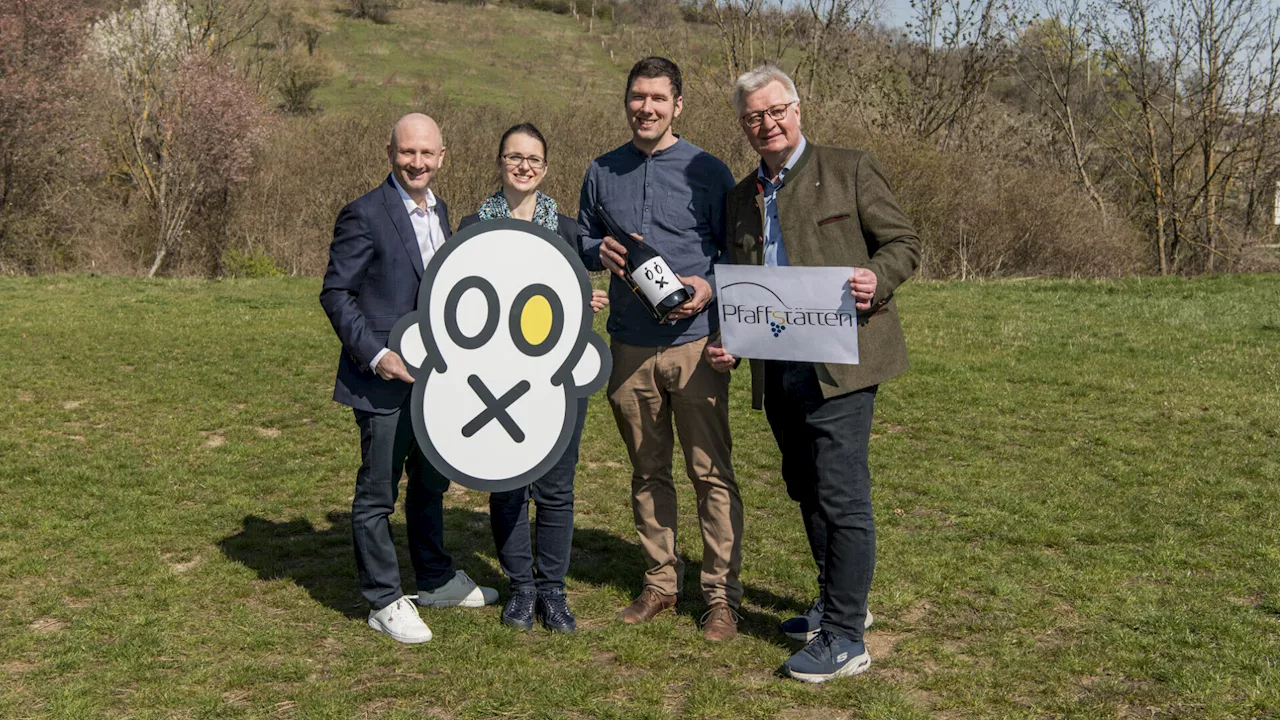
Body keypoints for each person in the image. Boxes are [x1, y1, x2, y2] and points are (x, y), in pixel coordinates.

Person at [705, 65, 921, 681]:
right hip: (778, 368)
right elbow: (744, 284)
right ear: (743, 124)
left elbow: (903, 242)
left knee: (842, 494)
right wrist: (732, 341)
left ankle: (847, 638)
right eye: (753, 117)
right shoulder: (739, 197)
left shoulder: (850, 168)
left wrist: (877, 279)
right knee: (805, 485)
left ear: (797, 110)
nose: (767, 125)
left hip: (843, 364)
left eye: (776, 112)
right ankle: (836, 600)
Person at [578, 57, 743, 642]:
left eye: (657, 98)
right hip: (629, 347)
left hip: (695, 346)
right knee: (648, 472)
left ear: (678, 105)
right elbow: (580, 238)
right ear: (626, 101)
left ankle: (721, 597)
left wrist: (711, 287)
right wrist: (597, 249)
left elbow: (739, 255)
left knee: (710, 474)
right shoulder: (600, 171)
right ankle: (660, 584)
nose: (645, 107)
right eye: (636, 97)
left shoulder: (710, 170)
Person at [320, 113, 497, 645]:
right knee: (378, 494)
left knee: (429, 483)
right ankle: (382, 599)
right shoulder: (364, 213)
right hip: (382, 381)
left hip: (434, 381)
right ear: (390, 153)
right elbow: (336, 293)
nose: (416, 163)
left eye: (427, 154)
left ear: (443, 157)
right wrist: (377, 356)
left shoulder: (442, 212)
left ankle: (436, 578)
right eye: (407, 153)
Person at [457, 123, 608, 633]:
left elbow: (576, 302)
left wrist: (586, 303)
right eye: (514, 157)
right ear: (499, 162)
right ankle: (521, 588)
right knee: (508, 486)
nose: (523, 166)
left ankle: (553, 590)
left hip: (556, 381)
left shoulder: (568, 232)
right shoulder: (470, 227)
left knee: (557, 489)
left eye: (533, 159)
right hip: (496, 381)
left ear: (545, 168)